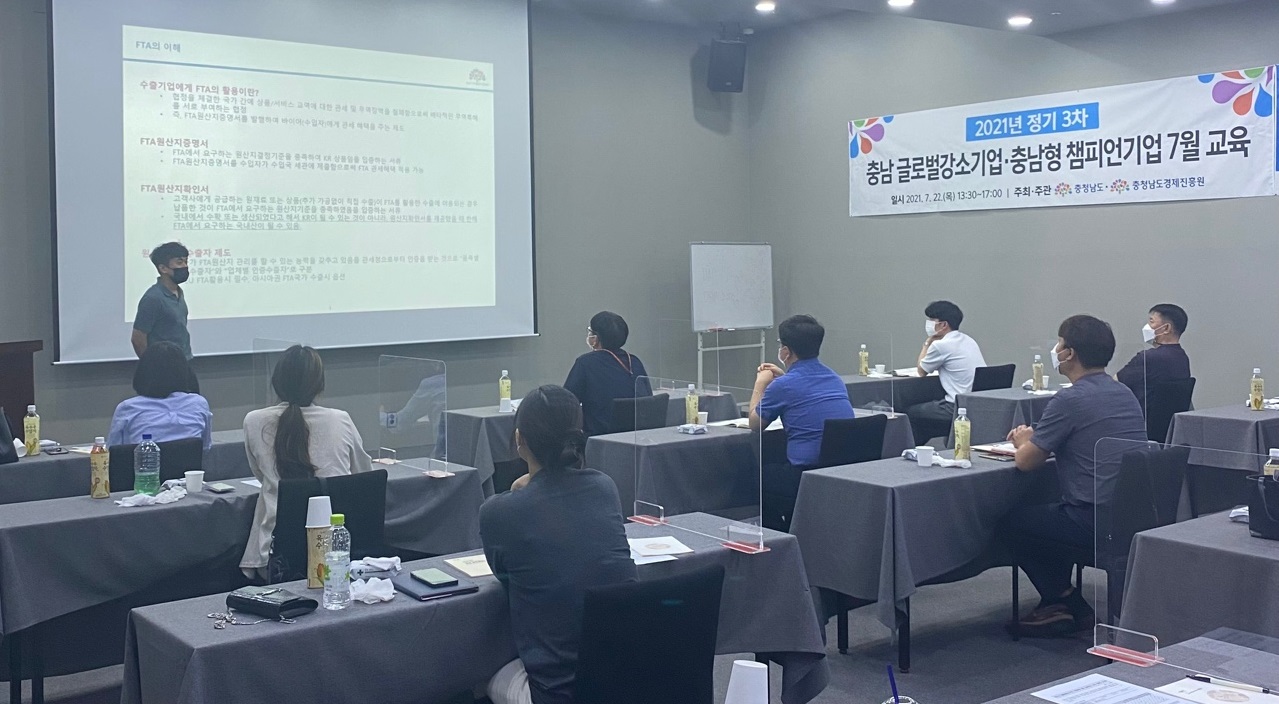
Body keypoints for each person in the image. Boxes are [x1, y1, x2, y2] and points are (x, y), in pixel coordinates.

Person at [480, 385, 637, 704]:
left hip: (555, 692)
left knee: (474, 672)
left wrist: (516, 493)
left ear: (520, 440)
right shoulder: (604, 488)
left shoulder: (498, 512)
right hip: (624, 680)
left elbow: (506, 577)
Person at [1001, 315, 1146, 637]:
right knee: (1049, 512)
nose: (1056, 350)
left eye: (1059, 344)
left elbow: (1026, 462)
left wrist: (1024, 440)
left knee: (1012, 522)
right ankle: (1058, 602)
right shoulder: (1122, 392)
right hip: (1132, 515)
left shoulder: (1070, 399)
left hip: (1093, 518)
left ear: (1070, 354)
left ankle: (1065, 600)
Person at [239, 345, 372, 579]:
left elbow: (261, 475)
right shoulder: (340, 420)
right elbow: (363, 477)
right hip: (337, 551)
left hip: (274, 553)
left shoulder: (254, 421)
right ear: (319, 384)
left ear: (276, 382)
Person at [750, 314, 855, 530]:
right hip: (841, 472)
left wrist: (761, 384)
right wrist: (783, 378)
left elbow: (755, 424)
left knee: (756, 475)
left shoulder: (783, 386)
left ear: (786, 352)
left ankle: (780, 535)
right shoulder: (834, 378)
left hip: (804, 473)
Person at [905, 300, 986, 443]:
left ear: (943, 325)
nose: (929, 323)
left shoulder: (941, 345)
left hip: (954, 406)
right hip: (976, 403)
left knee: (908, 412)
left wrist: (927, 343)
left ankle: (912, 449)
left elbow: (921, 370)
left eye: (932, 320)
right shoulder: (969, 340)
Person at [107, 341, 212, 449]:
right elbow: (205, 447)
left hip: (142, 460)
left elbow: (113, 451)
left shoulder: (128, 408)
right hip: (188, 461)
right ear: (185, 372)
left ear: (143, 372)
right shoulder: (198, 403)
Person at [563, 311, 651, 436]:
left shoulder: (586, 363)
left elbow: (567, 403)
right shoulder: (635, 361)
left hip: (599, 439)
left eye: (590, 331)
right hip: (637, 438)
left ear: (595, 339)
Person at [1116, 303, 1191, 412]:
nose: (1147, 326)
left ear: (1166, 328)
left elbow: (1114, 384)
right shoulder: (1183, 358)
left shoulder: (1149, 358)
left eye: (1151, 321)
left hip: (1138, 419)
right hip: (1167, 422)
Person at [132, 241, 193, 359]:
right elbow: (138, 338)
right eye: (179, 262)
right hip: (163, 362)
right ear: (163, 268)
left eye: (186, 262)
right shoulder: (153, 298)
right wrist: (150, 363)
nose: (185, 266)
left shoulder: (178, 292)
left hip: (184, 359)